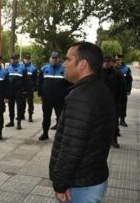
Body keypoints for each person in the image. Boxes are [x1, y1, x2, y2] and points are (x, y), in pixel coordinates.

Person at [50, 42, 116, 203]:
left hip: (80, 186)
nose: (64, 63)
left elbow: (71, 148)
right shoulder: (98, 89)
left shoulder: (82, 97)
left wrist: (60, 184)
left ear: (82, 64)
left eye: (68, 59)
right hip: (90, 179)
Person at [38, 52, 70, 141]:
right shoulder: (44, 69)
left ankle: (60, 135)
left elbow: (69, 84)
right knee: (46, 116)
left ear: (59, 59)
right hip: (47, 98)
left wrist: (66, 95)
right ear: (50, 58)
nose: (54, 60)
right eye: (53, 58)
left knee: (60, 117)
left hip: (59, 98)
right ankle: (45, 133)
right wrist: (40, 94)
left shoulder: (64, 69)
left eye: (56, 58)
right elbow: (40, 83)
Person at [101, 56, 126, 148]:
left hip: (113, 103)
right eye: (104, 61)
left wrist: (121, 104)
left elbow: (122, 90)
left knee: (113, 123)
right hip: (100, 103)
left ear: (112, 62)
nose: (106, 63)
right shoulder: (97, 73)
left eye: (108, 61)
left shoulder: (118, 74)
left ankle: (113, 139)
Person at [5, 54, 28, 130]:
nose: (13, 60)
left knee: (19, 107)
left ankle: (19, 123)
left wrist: (25, 90)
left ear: (17, 59)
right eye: (12, 59)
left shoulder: (22, 68)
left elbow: (26, 80)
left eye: (14, 59)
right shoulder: (8, 68)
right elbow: (6, 80)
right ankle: (11, 121)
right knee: (10, 106)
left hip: (19, 91)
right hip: (10, 91)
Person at [114, 54, 133, 127]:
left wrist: (128, 90)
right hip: (114, 90)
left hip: (123, 91)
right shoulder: (112, 68)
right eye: (116, 60)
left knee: (123, 105)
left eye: (119, 60)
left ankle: (122, 120)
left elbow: (129, 80)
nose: (117, 61)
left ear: (122, 60)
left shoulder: (126, 69)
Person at [22, 54, 37, 122]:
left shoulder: (33, 68)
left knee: (30, 102)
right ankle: (22, 115)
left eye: (28, 59)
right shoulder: (21, 67)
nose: (27, 60)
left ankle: (30, 115)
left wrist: (35, 88)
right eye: (25, 59)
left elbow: (35, 79)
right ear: (23, 59)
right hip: (22, 88)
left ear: (30, 59)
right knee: (22, 102)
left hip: (30, 88)